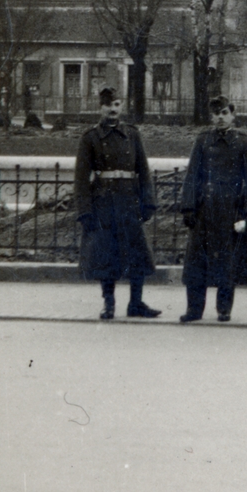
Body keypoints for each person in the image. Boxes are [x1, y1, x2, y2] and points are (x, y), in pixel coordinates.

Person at [75, 87, 160, 321]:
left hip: (129, 202)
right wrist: (85, 211)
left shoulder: (132, 134)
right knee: (106, 255)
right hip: (104, 203)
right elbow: (81, 179)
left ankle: (136, 303)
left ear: (122, 107)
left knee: (137, 254)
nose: (112, 110)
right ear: (100, 107)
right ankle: (109, 303)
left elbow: (143, 171)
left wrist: (148, 202)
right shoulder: (90, 137)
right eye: (108, 105)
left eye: (117, 104)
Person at [179, 97, 247, 323]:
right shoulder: (203, 140)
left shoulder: (243, 142)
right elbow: (192, 175)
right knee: (196, 262)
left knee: (227, 262)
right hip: (205, 209)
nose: (220, 117)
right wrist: (188, 207)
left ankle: (224, 308)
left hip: (230, 210)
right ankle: (194, 309)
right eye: (216, 114)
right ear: (211, 117)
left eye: (224, 112)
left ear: (233, 115)